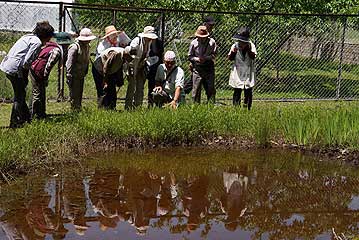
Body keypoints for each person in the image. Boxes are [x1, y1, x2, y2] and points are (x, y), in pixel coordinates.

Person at [0, 21, 54, 128]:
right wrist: (25, 75)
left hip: (7, 66)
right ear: (45, 36)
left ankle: (26, 119)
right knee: (19, 97)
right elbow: (26, 62)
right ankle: (15, 123)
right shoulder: (37, 43)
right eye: (49, 37)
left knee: (21, 94)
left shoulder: (27, 37)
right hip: (16, 69)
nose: (49, 40)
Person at [29, 35, 62, 119]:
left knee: (41, 91)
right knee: (37, 93)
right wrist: (45, 77)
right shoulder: (56, 51)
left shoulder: (52, 47)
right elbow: (48, 66)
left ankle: (41, 113)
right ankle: (33, 116)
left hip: (37, 69)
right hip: (37, 70)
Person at [125, 26, 158, 110]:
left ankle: (137, 107)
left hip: (141, 66)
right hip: (132, 66)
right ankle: (128, 107)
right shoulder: (136, 41)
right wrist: (131, 67)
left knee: (140, 87)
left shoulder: (149, 43)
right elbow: (129, 53)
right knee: (131, 87)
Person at [66, 28, 96, 110]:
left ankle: (78, 108)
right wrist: (69, 74)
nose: (89, 41)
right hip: (74, 74)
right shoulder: (74, 47)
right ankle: (74, 110)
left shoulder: (87, 46)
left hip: (81, 73)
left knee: (79, 92)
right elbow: (69, 62)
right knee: (74, 93)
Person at [92, 25, 123, 105]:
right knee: (102, 89)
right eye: (113, 35)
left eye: (116, 34)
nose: (115, 36)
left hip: (111, 69)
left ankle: (112, 106)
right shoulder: (102, 46)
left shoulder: (117, 42)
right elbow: (104, 63)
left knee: (112, 88)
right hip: (100, 68)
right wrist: (105, 78)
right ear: (108, 37)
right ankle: (103, 107)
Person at [228, 26, 257, 110]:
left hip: (248, 71)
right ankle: (236, 108)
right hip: (238, 71)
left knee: (248, 91)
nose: (240, 43)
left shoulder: (251, 45)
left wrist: (248, 50)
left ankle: (247, 108)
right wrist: (233, 53)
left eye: (242, 41)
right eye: (239, 41)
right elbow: (230, 58)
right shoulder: (235, 46)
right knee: (237, 91)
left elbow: (253, 56)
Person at [188, 25, 217, 104]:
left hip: (209, 67)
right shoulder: (193, 43)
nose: (201, 38)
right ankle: (195, 106)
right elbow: (190, 56)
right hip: (198, 68)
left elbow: (214, 55)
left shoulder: (212, 42)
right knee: (196, 89)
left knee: (210, 88)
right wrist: (197, 59)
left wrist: (206, 58)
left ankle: (211, 105)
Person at [146, 38, 164, 107]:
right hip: (148, 66)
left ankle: (158, 103)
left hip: (157, 66)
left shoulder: (159, 42)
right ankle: (150, 103)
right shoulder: (145, 42)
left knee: (158, 85)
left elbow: (161, 53)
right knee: (150, 86)